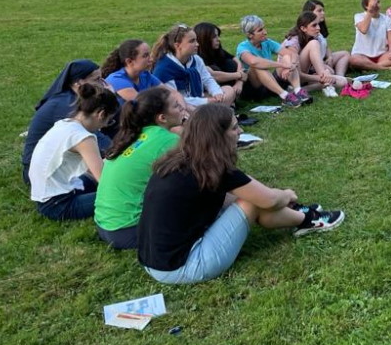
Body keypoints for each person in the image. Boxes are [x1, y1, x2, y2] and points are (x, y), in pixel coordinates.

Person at [137, 104, 345, 284]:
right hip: (183, 266)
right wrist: (287, 195)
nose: (240, 131)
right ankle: (309, 219)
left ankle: (297, 215)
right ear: (217, 136)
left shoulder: (181, 159)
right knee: (252, 202)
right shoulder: (213, 165)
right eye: (234, 128)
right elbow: (269, 200)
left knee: (247, 197)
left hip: (155, 263)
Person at [94, 87, 188, 249]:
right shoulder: (167, 140)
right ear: (162, 118)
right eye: (176, 106)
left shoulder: (131, 135)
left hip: (105, 226)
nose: (182, 107)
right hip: (130, 230)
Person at [28, 83, 119, 221]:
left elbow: (91, 170)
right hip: (60, 205)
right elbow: (104, 181)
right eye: (109, 120)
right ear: (101, 114)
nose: (105, 126)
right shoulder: (84, 138)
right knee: (123, 197)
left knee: (97, 176)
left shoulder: (65, 124)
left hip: (48, 197)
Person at [22, 59, 109, 184]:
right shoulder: (67, 105)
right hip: (40, 173)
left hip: (57, 162)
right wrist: (119, 150)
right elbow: (95, 137)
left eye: (101, 79)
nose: (102, 84)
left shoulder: (77, 98)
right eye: (96, 80)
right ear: (78, 83)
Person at [152, 24, 236, 107]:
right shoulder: (164, 68)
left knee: (228, 90)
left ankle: (214, 113)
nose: (197, 44)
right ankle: (218, 113)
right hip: (181, 105)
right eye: (192, 41)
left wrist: (217, 93)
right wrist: (206, 101)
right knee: (186, 108)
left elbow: (207, 78)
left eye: (196, 40)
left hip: (198, 99)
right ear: (177, 45)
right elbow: (174, 98)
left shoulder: (196, 59)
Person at [235, 15, 308, 107]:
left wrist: (290, 64)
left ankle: (298, 90)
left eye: (264, 28)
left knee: (286, 57)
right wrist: (282, 65)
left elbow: (290, 54)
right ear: (250, 35)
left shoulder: (267, 42)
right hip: (251, 89)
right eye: (260, 30)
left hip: (266, 83)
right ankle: (285, 96)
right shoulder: (242, 47)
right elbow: (254, 61)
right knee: (258, 66)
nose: (265, 32)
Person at [281, 11, 349, 96]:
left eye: (318, 24)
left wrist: (325, 72)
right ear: (303, 28)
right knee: (314, 44)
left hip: (304, 76)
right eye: (314, 25)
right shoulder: (294, 41)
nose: (318, 28)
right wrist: (321, 78)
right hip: (290, 78)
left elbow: (326, 47)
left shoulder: (312, 37)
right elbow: (299, 75)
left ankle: (301, 89)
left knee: (343, 81)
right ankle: (326, 84)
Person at [194, 22, 246, 103]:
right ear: (204, 38)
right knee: (215, 68)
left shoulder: (217, 50)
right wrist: (240, 75)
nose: (218, 39)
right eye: (214, 37)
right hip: (211, 92)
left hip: (231, 87)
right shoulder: (197, 57)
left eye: (218, 36)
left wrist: (239, 82)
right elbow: (214, 75)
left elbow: (236, 59)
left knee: (231, 63)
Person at [102, 39, 162, 105]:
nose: (151, 59)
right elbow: (144, 105)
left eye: (149, 55)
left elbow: (170, 93)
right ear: (129, 62)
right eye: (145, 56)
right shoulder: (116, 80)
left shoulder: (145, 75)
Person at [301, 0, 350, 73]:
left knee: (345, 54)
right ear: (309, 13)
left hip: (323, 60)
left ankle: (340, 76)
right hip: (312, 65)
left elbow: (326, 46)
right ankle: (337, 79)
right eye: (319, 11)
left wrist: (330, 57)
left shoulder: (319, 29)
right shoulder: (309, 31)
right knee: (329, 71)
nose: (323, 13)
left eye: (323, 10)